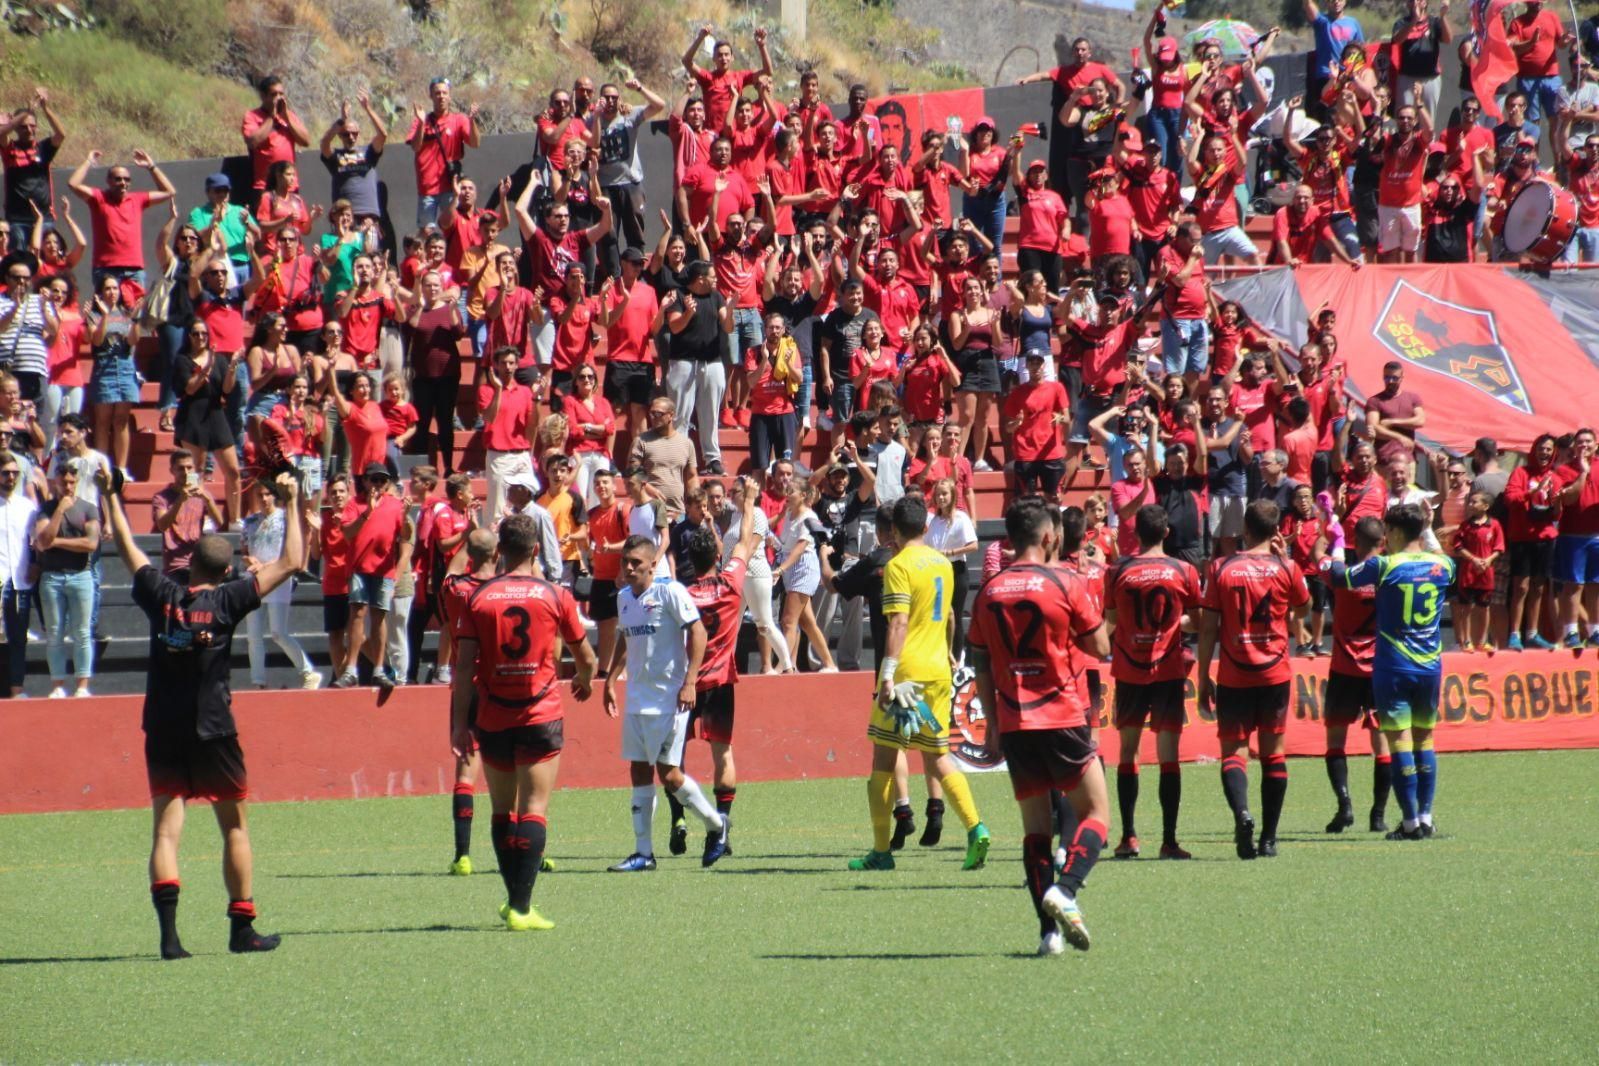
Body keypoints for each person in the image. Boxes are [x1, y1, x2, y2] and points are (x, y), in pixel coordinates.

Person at [103, 466, 302, 958]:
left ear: (189, 565)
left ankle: (170, 939)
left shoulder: (163, 596)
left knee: (165, 831)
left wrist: (111, 499)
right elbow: (293, 561)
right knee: (234, 827)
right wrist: (294, 501)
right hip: (214, 730)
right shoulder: (230, 599)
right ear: (227, 571)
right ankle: (242, 929)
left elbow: (128, 549)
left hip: (163, 728)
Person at [969, 496, 1110, 954]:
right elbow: (1101, 646)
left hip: (1014, 721)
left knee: (1035, 832)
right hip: (1062, 714)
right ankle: (1066, 891)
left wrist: (992, 724)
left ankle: (1048, 935)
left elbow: (981, 662)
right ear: (1050, 537)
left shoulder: (989, 591)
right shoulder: (1066, 581)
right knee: (1097, 815)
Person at [450, 515, 596, 929]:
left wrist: (459, 724)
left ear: (499, 551)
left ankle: (514, 899)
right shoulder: (555, 594)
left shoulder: (478, 597)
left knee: (502, 811)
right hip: (540, 713)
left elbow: (463, 667)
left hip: (493, 715)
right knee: (533, 808)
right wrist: (585, 681)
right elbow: (586, 657)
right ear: (536, 550)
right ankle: (521, 906)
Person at [851, 494, 990, 872]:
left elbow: (898, 622)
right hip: (938, 672)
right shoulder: (942, 562)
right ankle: (976, 828)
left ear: (894, 530)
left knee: (883, 758)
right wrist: (949, 653)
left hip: (907, 678)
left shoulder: (898, 565)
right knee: (938, 756)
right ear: (926, 528)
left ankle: (881, 852)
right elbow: (950, 617)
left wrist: (887, 675)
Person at [1327, 503, 1454, 840]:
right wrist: (1429, 528)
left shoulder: (1384, 565)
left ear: (1395, 532)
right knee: (1425, 739)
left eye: (1388, 530)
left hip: (1394, 666)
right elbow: (1440, 554)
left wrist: (1337, 542)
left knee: (1399, 742)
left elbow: (1339, 577)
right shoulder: (1443, 565)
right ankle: (1426, 817)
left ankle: (1410, 822)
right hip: (1430, 665)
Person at [602, 535, 730, 871]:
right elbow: (625, 638)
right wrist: (611, 680)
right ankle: (643, 853)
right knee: (638, 770)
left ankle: (716, 825)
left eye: (636, 562)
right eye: (625, 561)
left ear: (653, 564)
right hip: (637, 698)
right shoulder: (624, 598)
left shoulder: (670, 591)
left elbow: (698, 632)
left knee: (670, 775)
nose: (629, 568)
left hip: (669, 699)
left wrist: (690, 682)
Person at [1195, 500, 1312, 859]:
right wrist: (1286, 558)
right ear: (1276, 531)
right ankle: (1269, 838)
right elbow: (1305, 608)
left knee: (1234, 752)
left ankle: (1243, 813)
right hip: (1274, 672)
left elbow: (1208, 628)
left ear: (1245, 530)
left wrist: (1203, 676)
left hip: (1235, 672)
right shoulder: (1286, 567)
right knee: (1274, 753)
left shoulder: (1221, 567)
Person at [1105, 504, 1202, 861]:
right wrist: (1175, 623)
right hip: (1167, 670)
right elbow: (1197, 621)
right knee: (1168, 756)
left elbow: (1111, 618)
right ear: (1166, 533)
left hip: (1130, 668)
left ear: (1136, 533)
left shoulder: (1117, 571)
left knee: (1128, 752)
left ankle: (1128, 837)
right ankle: (1169, 841)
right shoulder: (1185, 570)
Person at [673, 478, 762, 856]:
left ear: (690, 560)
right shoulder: (731, 583)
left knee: (673, 758)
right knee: (722, 754)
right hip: (721, 681)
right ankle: (721, 826)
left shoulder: (683, 595)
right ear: (716, 555)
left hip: (687, 683)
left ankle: (679, 819)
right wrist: (749, 502)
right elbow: (744, 541)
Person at [1313, 516, 1393, 834]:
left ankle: (1344, 804)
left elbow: (1317, 557)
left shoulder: (1342, 576)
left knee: (1335, 741)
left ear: (1354, 542)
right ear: (1383, 542)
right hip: (1379, 669)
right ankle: (1378, 815)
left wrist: (1327, 535)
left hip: (1344, 668)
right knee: (1382, 745)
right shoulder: (1391, 577)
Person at [335, 463, 410, 691]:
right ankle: (351, 669)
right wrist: (368, 511)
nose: (378, 484)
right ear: (365, 481)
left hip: (383, 569)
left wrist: (406, 517)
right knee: (357, 614)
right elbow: (348, 533)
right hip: (359, 567)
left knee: (379, 617)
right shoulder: (354, 504)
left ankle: (379, 669)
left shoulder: (395, 505)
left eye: (382, 480)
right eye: (374, 479)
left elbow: (405, 536)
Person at [241, 478, 319, 690]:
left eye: (267, 494)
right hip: (255, 579)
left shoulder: (285, 519)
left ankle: (308, 671)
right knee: (253, 635)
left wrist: (266, 565)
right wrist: (251, 560)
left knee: (278, 632)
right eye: (260, 495)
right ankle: (258, 681)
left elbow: (288, 551)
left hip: (279, 578)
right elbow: (245, 551)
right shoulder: (250, 522)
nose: (264, 499)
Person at [66, 148, 176, 298]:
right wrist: (88, 162)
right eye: (118, 179)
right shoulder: (98, 198)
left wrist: (151, 167)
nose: (123, 183)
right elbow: (73, 183)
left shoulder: (138, 199)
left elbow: (169, 192)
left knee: (134, 311)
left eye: (127, 179)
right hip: (105, 269)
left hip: (134, 270)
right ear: (109, 181)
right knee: (105, 309)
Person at [35, 460, 96, 698]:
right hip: (52, 577)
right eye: (64, 482)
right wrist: (60, 510)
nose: (68, 487)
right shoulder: (46, 509)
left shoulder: (88, 508)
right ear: (56, 483)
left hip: (81, 575)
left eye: (72, 482)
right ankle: (57, 685)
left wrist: (56, 542)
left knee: (82, 632)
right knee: (54, 632)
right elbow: (42, 541)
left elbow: (90, 543)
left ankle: (82, 685)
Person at [405, 77, 481, 227]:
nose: (441, 96)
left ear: (449, 96)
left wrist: (472, 121)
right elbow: (415, 147)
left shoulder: (459, 120)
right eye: (437, 93)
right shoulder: (421, 121)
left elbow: (475, 143)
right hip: (427, 187)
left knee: (454, 227)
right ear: (431, 96)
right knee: (426, 230)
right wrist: (421, 123)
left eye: (444, 93)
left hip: (451, 187)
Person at [319, 92, 388, 226]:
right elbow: (324, 144)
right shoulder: (336, 156)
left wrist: (368, 108)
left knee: (369, 241)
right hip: (343, 217)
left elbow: (383, 135)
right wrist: (341, 121)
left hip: (368, 216)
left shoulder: (369, 152)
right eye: (346, 134)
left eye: (354, 133)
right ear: (340, 136)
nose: (351, 137)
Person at [152, 450, 222, 579]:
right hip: (175, 566)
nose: (186, 472)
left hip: (198, 563)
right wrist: (180, 500)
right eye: (180, 468)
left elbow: (219, 523)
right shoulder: (162, 497)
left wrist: (207, 500)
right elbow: (162, 525)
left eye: (189, 468)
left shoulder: (203, 495)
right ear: (172, 471)